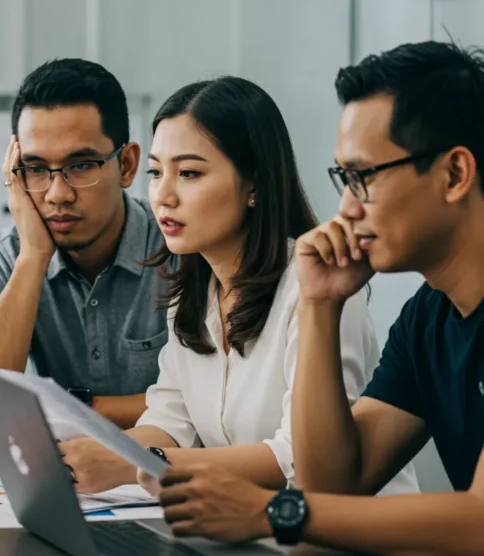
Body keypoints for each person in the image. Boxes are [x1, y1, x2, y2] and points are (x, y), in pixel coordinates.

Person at [147, 41, 484, 554]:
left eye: (362, 177)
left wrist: (267, 511)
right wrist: (320, 304)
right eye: (342, 178)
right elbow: (330, 485)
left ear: (455, 174)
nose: (345, 207)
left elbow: (479, 522)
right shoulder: (430, 315)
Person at [64, 76, 419, 496]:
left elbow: (295, 460)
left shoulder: (319, 286)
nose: (163, 196)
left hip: (348, 533)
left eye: (190, 173)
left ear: (254, 184)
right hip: (248, 529)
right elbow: (169, 423)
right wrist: (80, 453)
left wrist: (134, 464)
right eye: (157, 172)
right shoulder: (193, 294)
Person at [0, 59, 167, 442]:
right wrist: (33, 257)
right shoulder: (11, 252)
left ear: (127, 165)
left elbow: (208, 408)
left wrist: (72, 409)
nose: (57, 194)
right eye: (35, 169)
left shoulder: (177, 247)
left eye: (81, 166)